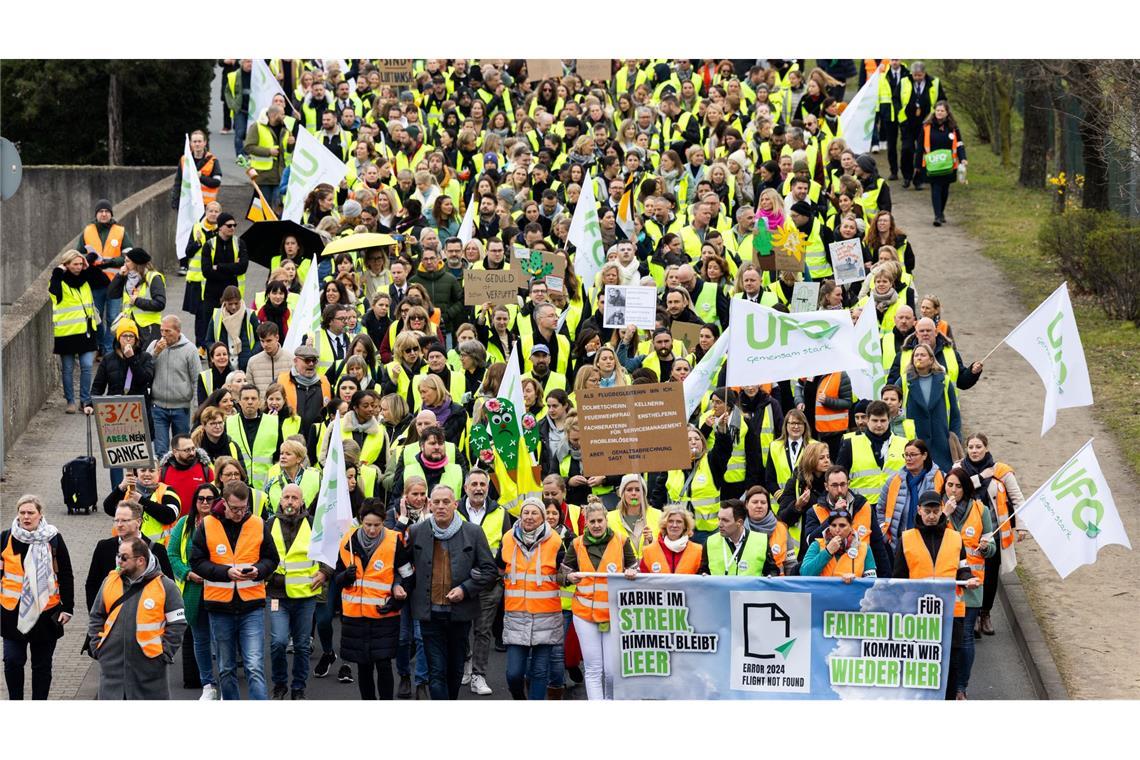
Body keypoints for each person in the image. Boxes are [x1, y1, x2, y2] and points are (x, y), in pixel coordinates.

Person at [190, 480, 280, 700]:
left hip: (252, 606)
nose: (240, 513)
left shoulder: (258, 523)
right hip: (220, 607)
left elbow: (272, 559)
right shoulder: (209, 524)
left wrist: (258, 570)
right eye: (234, 509)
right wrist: (225, 572)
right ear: (224, 503)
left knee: (255, 666)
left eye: (244, 508)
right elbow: (197, 561)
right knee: (226, 668)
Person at [407, 484, 497, 700]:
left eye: (446, 502)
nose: (440, 506)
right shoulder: (417, 531)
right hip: (430, 615)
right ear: (429, 504)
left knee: (455, 671)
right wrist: (400, 586)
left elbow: (489, 571)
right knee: (436, 672)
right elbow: (404, 566)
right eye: (436, 502)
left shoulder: (473, 532)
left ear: (455, 505)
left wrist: (465, 589)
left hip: (460, 614)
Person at [893, 490, 979, 701]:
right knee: (919, 665)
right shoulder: (906, 539)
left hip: (950, 614)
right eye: (927, 511)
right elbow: (898, 577)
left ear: (942, 511)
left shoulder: (955, 538)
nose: (931, 515)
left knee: (950, 665)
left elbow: (963, 568)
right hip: (917, 616)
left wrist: (969, 579)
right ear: (919, 511)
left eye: (935, 511)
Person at [86, 537, 186, 700]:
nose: (119, 561)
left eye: (124, 557)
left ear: (140, 560)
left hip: (150, 676)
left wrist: (165, 654)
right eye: (118, 556)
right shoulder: (110, 581)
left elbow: (178, 624)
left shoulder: (166, 586)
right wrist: (98, 647)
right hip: (112, 675)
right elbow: (96, 616)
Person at [336, 499, 414, 700]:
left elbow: (407, 576)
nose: (372, 530)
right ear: (361, 521)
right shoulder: (347, 542)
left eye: (377, 525)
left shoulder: (394, 540)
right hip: (355, 616)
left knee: (384, 664)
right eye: (368, 525)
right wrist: (346, 576)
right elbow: (336, 578)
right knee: (363, 667)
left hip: (384, 615)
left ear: (383, 522)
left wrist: (396, 602)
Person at [561, 499, 637, 700]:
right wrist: (568, 577)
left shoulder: (621, 540)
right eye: (592, 521)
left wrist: (631, 572)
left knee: (612, 672)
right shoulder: (576, 544)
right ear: (586, 523)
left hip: (614, 614)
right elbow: (561, 575)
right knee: (594, 669)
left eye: (599, 521)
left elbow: (636, 568)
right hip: (585, 615)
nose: (596, 525)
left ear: (606, 521)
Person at [1, 495, 75, 700]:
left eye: (30, 513)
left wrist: (67, 607)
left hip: (46, 613)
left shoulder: (53, 538)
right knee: (12, 661)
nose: (26, 517)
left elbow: (66, 573)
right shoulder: (5, 538)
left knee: (42, 666)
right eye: (22, 512)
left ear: (40, 514)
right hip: (12, 614)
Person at [496, 497, 565, 700]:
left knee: (539, 671)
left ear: (543, 517)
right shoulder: (508, 538)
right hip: (516, 616)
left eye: (535, 513)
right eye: (526, 512)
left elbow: (564, 572)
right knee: (514, 674)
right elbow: (499, 567)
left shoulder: (556, 541)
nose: (529, 516)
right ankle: (519, 698)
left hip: (546, 617)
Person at [266, 484, 331, 700]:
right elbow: (259, 554)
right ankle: (280, 684)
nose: (290, 502)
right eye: (287, 497)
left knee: (303, 645)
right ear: (281, 500)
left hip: (305, 595)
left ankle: (298, 688)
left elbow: (330, 552)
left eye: (295, 498)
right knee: (278, 643)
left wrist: (324, 572)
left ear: (302, 501)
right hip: (277, 595)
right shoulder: (269, 524)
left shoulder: (313, 525)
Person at [959, 433, 1024, 637]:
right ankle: (971, 614)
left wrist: (1022, 527)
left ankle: (985, 614)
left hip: (993, 534)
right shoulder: (958, 470)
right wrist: (981, 478)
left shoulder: (1002, 471)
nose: (975, 450)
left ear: (986, 448)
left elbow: (1018, 499)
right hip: (966, 536)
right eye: (971, 447)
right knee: (968, 574)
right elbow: (953, 489)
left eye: (979, 446)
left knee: (990, 578)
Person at [941, 467, 995, 700]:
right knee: (943, 637)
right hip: (944, 583)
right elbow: (927, 534)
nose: (953, 490)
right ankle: (943, 686)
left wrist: (987, 547)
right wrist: (944, 514)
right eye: (950, 485)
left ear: (966, 488)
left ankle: (961, 687)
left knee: (965, 639)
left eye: (958, 486)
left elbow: (992, 546)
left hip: (971, 584)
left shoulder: (980, 510)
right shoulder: (937, 508)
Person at [457, 469, 511, 697]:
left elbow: (507, 545)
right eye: (474, 484)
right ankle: (466, 662)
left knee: (483, 630)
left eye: (483, 484)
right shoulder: (454, 511)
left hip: (490, 583)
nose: (479, 488)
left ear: (488, 487)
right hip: (461, 582)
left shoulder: (501, 512)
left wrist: (497, 573)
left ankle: (479, 675)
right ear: (466, 488)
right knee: (461, 628)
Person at [85, 318, 155, 490]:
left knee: (138, 456)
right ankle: (117, 493)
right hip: (115, 417)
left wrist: (132, 359)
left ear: (137, 340)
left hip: (138, 414)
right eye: (125, 336)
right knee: (116, 457)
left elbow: (145, 379)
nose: (128, 340)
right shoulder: (108, 359)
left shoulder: (145, 357)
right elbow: (98, 386)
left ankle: (138, 492)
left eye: (132, 336)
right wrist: (90, 403)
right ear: (118, 338)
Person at [168, 482, 220, 698]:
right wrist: (188, 573)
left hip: (218, 589)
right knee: (200, 639)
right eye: (201, 499)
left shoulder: (222, 524)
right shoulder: (184, 524)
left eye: (210, 499)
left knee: (221, 640)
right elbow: (172, 554)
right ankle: (208, 684)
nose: (205, 502)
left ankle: (224, 683)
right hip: (193, 591)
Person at [74, 199, 131, 357]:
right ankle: (100, 344)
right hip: (95, 281)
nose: (104, 214)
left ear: (111, 214)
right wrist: (89, 258)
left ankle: (108, 349)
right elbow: (77, 254)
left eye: (107, 211)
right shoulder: (87, 231)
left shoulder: (120, 231)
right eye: (101, 211)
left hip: (116, 281)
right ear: (96, 214)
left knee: (113, 318)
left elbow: (129, 255)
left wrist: (112, 261)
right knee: (95, 317)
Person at [50, 250, 103, 414]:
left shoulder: (85, 280)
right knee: (68, 369)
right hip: (67, 334)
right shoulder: (60, 282)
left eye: (81, 264)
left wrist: (89, 266)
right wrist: (57, 271)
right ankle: (70, 401)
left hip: (86, 332)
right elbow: (54, 290)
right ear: (66, 265)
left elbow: (102, 281)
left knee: (87, 366)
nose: (79, 267)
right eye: (75, 264)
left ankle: (85, 400)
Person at [148, 316, 202, 459]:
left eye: (168, 331)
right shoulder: (155, 345)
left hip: (181, 408)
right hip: (158, 406)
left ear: (178, 331)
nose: (164, 335)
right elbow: (143, 368)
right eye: (162, 331)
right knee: (161, 451)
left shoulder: (190, 349)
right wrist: (155, 352)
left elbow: (197, 379)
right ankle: (162, 479)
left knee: (183, 450)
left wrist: (198, 408)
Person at [902, 344, 961, 473]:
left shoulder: (945, 381)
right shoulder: (904, 381)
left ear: (931, 359)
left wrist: (955, 439)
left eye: (923, 355)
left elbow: (955, 415)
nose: (919, 358)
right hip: (914, 442)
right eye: (916, 355)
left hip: (941, 443)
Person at [101, 465, 182, 546]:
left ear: (159, 471)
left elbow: (169, 516)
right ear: (137, 472)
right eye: (143, 470)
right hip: (126, 547)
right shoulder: (128, 490)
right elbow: (109, 508)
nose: (147, 474)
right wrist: (121, 487)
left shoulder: (166, 491)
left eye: (151, 471)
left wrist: (141, 500)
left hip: (157, 549)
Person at [699, 499, 777, 576]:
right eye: (719, 519)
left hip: (749, 588)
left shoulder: (761, 541)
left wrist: (770, 576)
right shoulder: (710, 542)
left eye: (725, 520)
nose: (719, 524)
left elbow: (772, 571)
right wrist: (703, 575)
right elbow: (703, 571)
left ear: (739, 522)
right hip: (720, 589)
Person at [799, 507, 878, 580]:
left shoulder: (864, 548)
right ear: (829, 526)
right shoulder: (817, 545)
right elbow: (805, 574)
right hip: (823, 594)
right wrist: (827, 552)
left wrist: (856, 581)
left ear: (851, 526)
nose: (837, 530)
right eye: (833, 525)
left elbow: (871, 582)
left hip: (852, 594)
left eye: (842, 525)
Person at [921, 100, 966, 226]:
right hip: (932, 165)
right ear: (934, 111)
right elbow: (920, 146)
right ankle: (937, 216)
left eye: (942, 111)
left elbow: (959, 144)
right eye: (937, 110)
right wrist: (917, 165)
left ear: (947, 113)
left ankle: (941, 212)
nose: (939, 113)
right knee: (935, 188)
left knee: (945, 189)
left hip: (949, 166)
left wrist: (963, 158)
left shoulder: (953, 128)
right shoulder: (926, 127)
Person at [743, 485, 796, 576]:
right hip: (748, 586)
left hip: (776, 586)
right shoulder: (739, 529)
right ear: (746, 504)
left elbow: (791, 564)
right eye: (755, 502)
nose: (759, 506)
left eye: (763, 502)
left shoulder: (781, 528)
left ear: (768, 505)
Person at [639, 505, 703, 574]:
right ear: (665, 524)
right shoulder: (649, 551)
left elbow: (703, 577)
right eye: (670, 521)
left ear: (685, 526)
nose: (674, 525)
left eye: (679, 522)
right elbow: (642, 579)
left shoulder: (698, 551)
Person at [247, 322, 295, 393]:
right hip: (261, 404)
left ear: (277, 338)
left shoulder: (291, 360)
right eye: (262, 341)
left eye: (269, 340)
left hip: (286, 403)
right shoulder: (252, 362)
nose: (265, 345)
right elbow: (249, 392)